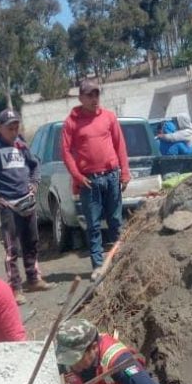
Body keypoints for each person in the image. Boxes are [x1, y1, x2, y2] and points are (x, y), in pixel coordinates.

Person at [0, 109, 51, 304]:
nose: (14, 131)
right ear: (0, 128)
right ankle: (15, 289)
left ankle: (33, 279)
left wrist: (34, 182)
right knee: (12, 249)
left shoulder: (21, 145)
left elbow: (35, 165)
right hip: (9, 206)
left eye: (16, 127)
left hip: (27, 202)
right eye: (10, 128)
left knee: (31, 242)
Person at [61, 78, 131, 272]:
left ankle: (120, 264)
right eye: (89, 95)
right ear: (81, 97)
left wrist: (124, 172)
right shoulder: (72, 123)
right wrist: (77, 176)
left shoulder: (108, 116)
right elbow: (65, 152)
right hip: (89, 181)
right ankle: (98, 268)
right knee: (93, 226)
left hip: (111, 176)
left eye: (96, 94)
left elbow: (120, 144)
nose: (94, 98)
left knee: (116, 222)